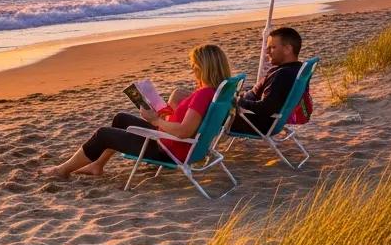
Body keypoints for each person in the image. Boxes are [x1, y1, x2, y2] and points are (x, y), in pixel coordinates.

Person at [47, 44, 233, 181]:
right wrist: (165, 114)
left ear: (202, 67)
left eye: (194, 66)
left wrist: (155, 121)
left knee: (103, 134)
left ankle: (62, 170)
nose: (192, 70)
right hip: (174, 143)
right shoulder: (217, 92)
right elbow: (189, 123)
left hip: (167, 150)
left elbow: (184, 132)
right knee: (121, 118)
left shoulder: (203, 95)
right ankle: (97, 165)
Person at [229, 27, 304, 135]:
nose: (267, 51)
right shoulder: (296, 69)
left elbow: (267, 108)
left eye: (272, 47)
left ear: (287, 49)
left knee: (208, 110)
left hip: (255, 122)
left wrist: (240, 102)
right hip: (267, 120)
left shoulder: (283, 75)